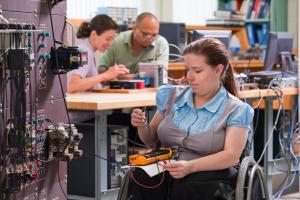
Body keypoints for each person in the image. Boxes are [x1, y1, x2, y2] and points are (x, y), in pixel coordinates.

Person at [128, 38, 254, 200]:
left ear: (218, 70)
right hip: (168, 166)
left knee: (189, 186)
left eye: (197, 71)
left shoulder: (236, 109)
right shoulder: (171, 96)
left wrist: (189, 167)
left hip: (209, 173)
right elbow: (151, 139)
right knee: (141, 176)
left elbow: (231, 156)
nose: (189, 76)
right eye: (187, 69)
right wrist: (143, 125)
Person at [67, 14, 129, 93]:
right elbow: (72, 86)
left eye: (112, 39)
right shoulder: (83, 53)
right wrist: (105, 75)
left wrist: (110, 75)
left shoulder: (89, 51)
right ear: (94, 35)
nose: (110, 43)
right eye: (107, 39)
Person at [98, 12, 169, 79]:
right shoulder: (116, 40)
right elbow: (101, 70)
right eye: (145, 34)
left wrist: (126, 76)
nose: (150, 39)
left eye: (154, 35)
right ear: (134, 29)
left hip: (149, 89)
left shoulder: (161, 44)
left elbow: (160, 75)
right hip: (121, 89)